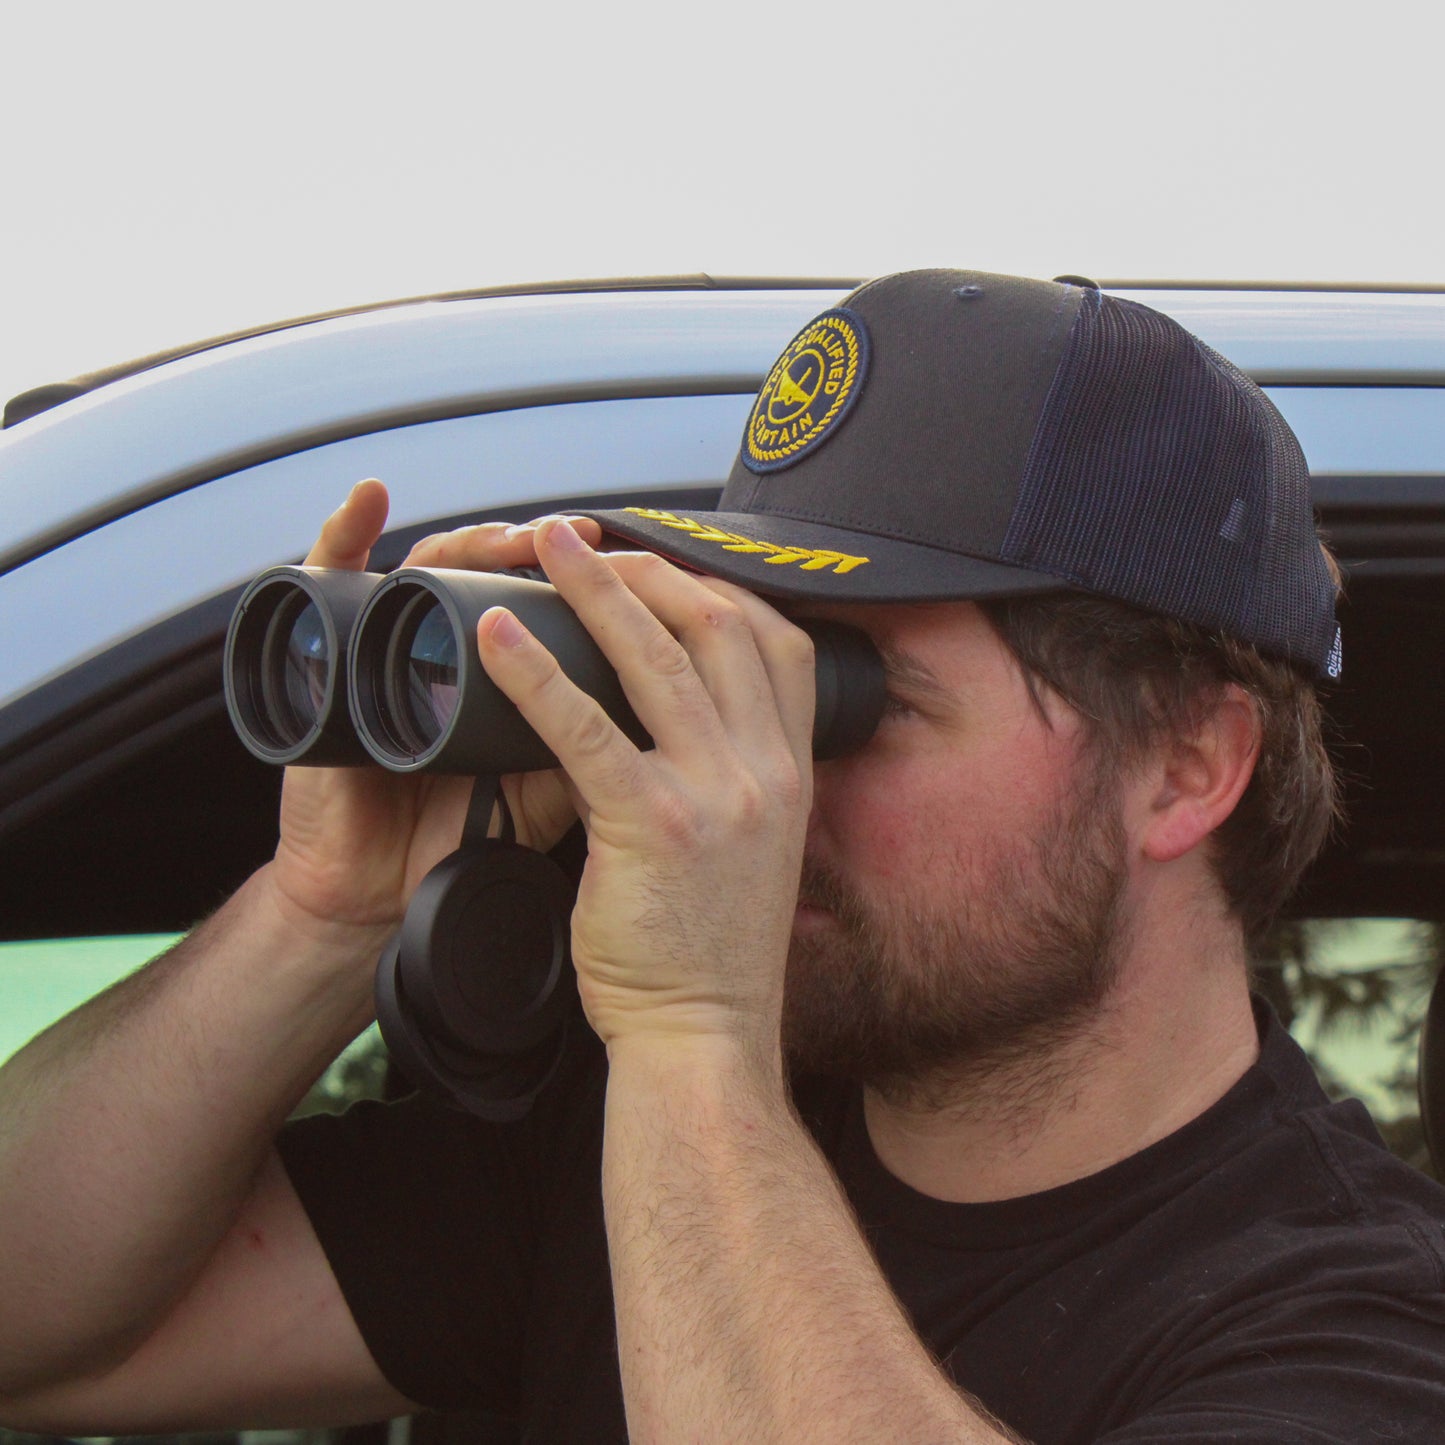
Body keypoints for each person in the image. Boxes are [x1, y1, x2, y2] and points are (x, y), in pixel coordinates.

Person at [1, 269, 1443, 1444]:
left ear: (1185, 766)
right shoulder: (609, 1146)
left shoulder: (1366, 1326)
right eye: (732, 659)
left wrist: (693, 1034)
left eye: (839, 695)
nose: (753, 771)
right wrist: (320, 912)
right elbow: (33, 1331)